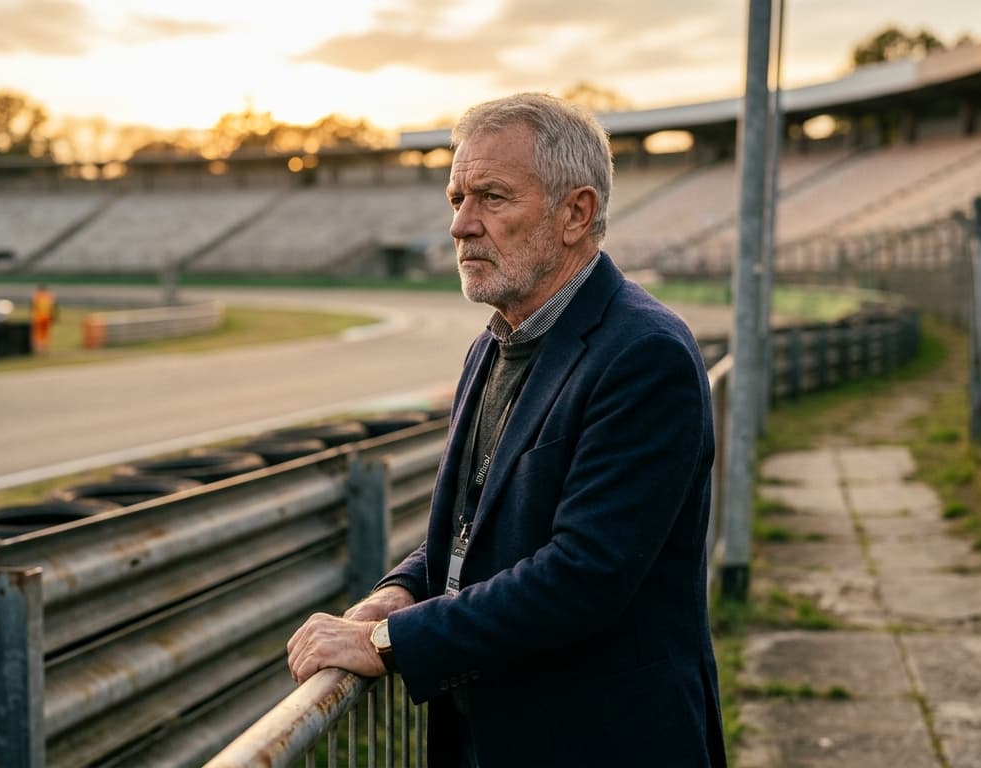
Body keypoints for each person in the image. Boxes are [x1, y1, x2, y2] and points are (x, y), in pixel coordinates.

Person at [286, 93, 725, 767]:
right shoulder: (493, 343)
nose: (461, 225)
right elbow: (476, 529)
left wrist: (389, 642)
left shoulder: (644, 353)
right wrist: (398, 592)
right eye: (456, 199)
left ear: (576, 213)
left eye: (491, 198)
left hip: (602, 742)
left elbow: (584, 576)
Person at [30, 283, 58, 352]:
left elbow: (33, 306)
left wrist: (32, 315)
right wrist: (54, 316)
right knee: (45, 332)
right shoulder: (49, 296)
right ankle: (44, 346)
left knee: (38, 332)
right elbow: (53, 307)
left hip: (39, 317)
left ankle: (39, 347)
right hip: (47, 316)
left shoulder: (36, 296)